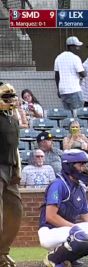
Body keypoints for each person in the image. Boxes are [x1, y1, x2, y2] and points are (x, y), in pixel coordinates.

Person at [38, 149, 88, 267]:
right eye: (81, 164)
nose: (85, 168)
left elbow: (87, 216)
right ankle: (53, 259)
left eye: (85, 164)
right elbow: (50, 217)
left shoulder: (80, 187)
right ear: (69, 166)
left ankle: (69, 259)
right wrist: (76, 228)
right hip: (49, 232)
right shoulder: (58, 184)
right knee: (80, 235)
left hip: (68, 232)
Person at [0, 82, 23, 267]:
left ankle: (2, 252)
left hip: (10, 168)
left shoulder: (12, 118)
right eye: (6, 98)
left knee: (16, 211)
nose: (10, 101)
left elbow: (15, 147)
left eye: (12, 97)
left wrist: (17, 168)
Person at [54, 36, 86, 117]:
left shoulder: (59, 57)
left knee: (68, 116)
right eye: (77, 46)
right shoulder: (75, 58)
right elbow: (83, 74)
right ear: (71, 46)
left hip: (63, 91)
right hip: (74, 90)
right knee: (78, 115)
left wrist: (58, 89)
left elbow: (57, 76)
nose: (78, 48)